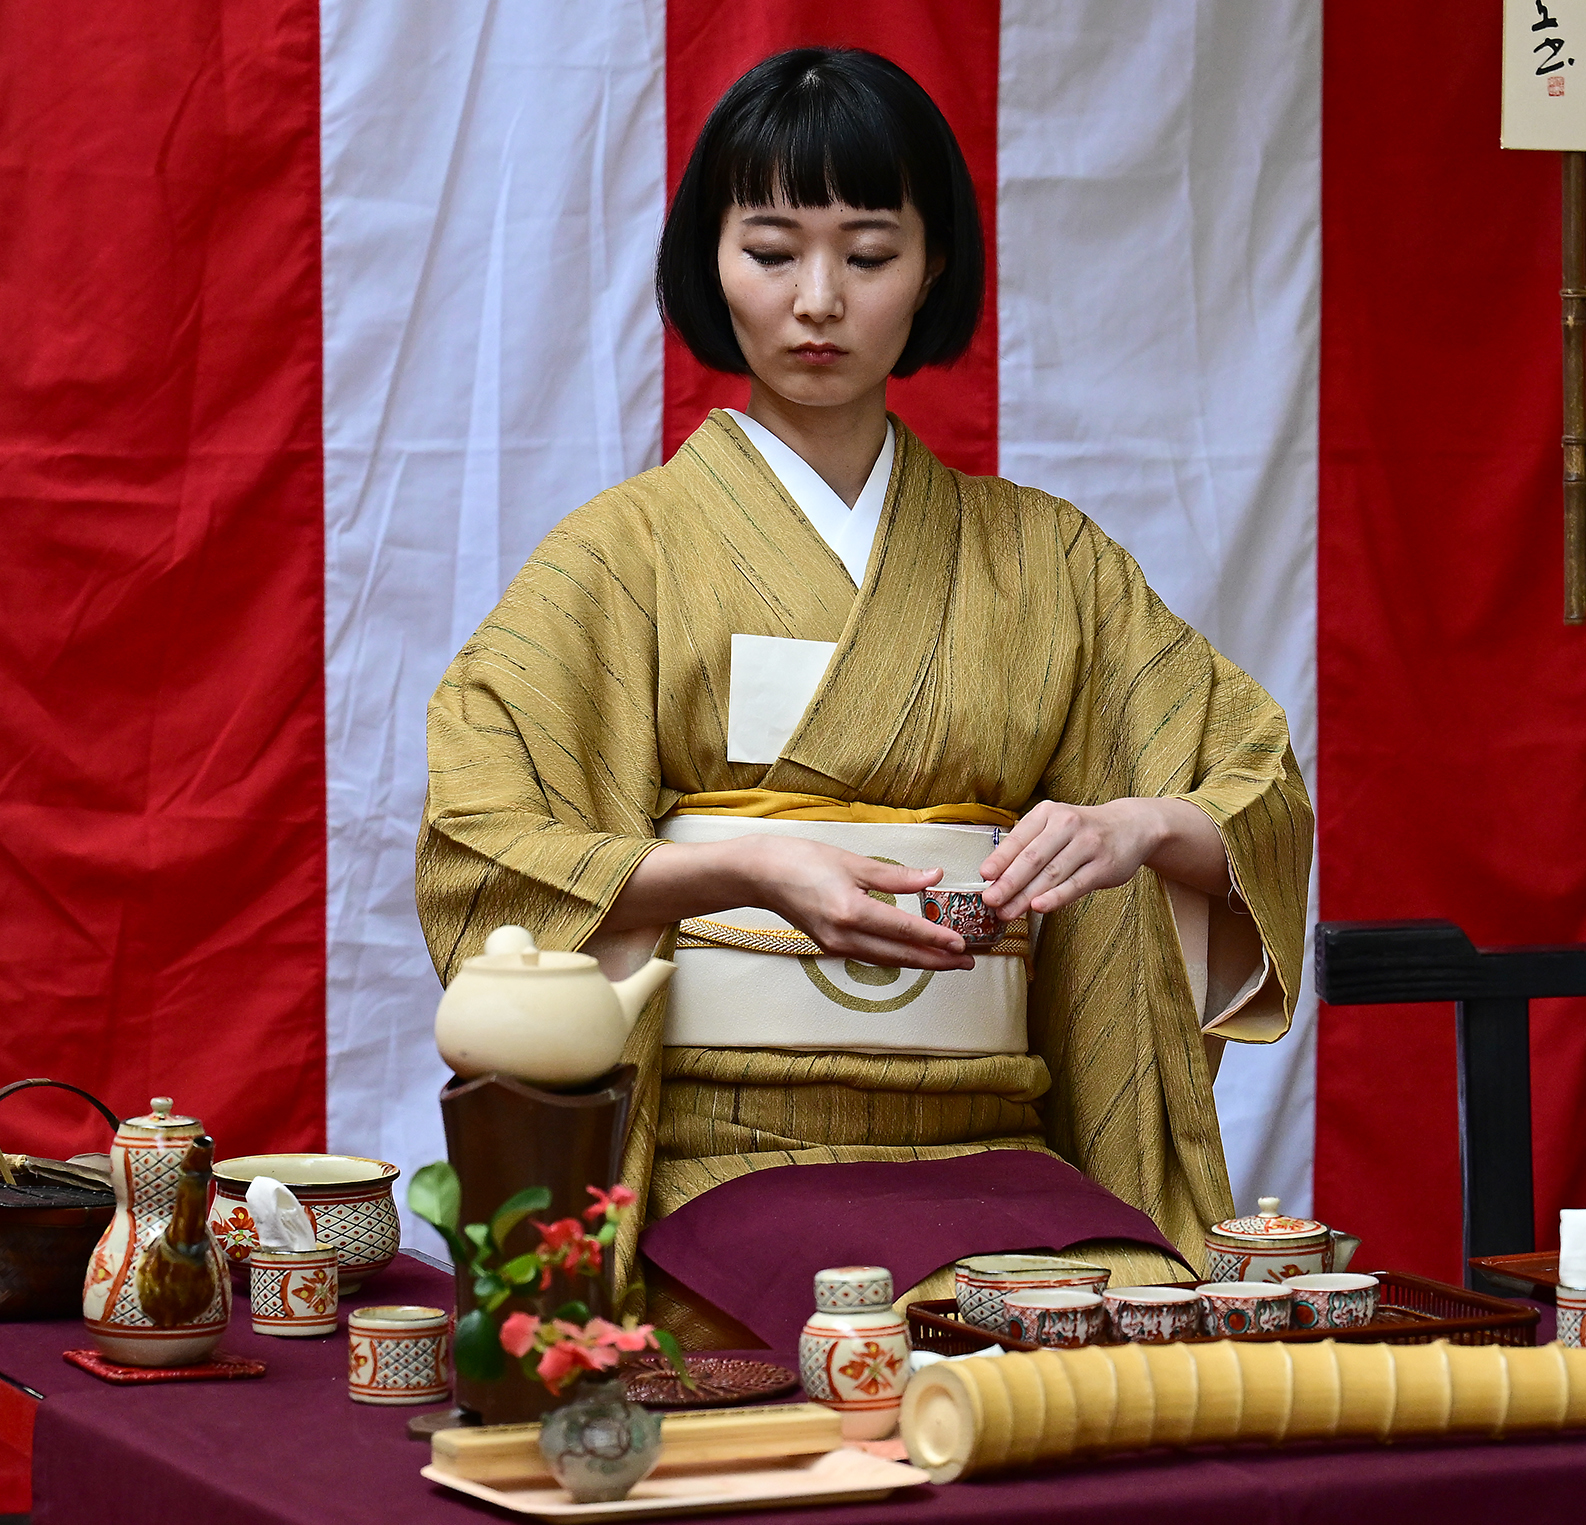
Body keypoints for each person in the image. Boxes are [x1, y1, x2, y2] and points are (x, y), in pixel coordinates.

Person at [416, 46, 1311, 1341]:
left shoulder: (1048, 560)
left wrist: (1139, 827)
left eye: (871, 253)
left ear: (934, 265)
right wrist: (742, 871)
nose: (818, 300)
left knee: (1137, 1332)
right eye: (771, 252)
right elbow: (481, 844)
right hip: (719, 1154)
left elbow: (1250, 783)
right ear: (709, 261)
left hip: (992, 1142)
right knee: (908, 1346)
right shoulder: (621, 556)